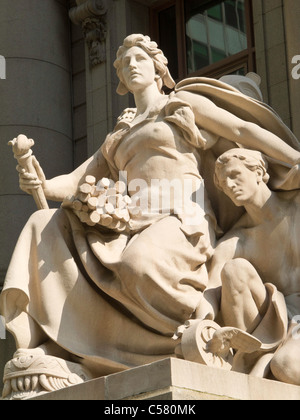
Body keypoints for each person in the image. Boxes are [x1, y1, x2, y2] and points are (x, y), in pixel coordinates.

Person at [1, 34, 300, 386]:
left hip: (181, 219)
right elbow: (78, 178)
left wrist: (294, 158)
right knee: (40, 223)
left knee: (137, 262)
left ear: (158, 68)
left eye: (138, 58)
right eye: (125, 63)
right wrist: (43, 184)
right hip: (128, 221)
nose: (131, 65)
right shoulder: (122, 129)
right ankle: (43, 345)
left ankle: (182, 336)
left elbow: (241, 128)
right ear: (121, 81)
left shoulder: (181, 105)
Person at [201, 148, 300, 385]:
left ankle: (266, 361)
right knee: (234, 270)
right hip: (277, 322)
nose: (229, 185)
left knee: (286, 366)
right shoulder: (235, 242)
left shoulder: (297, 207)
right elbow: (211, 291)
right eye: (223, 183)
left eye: (235, 175)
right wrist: (200, 325)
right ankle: (255, 356)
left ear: (259, 172)